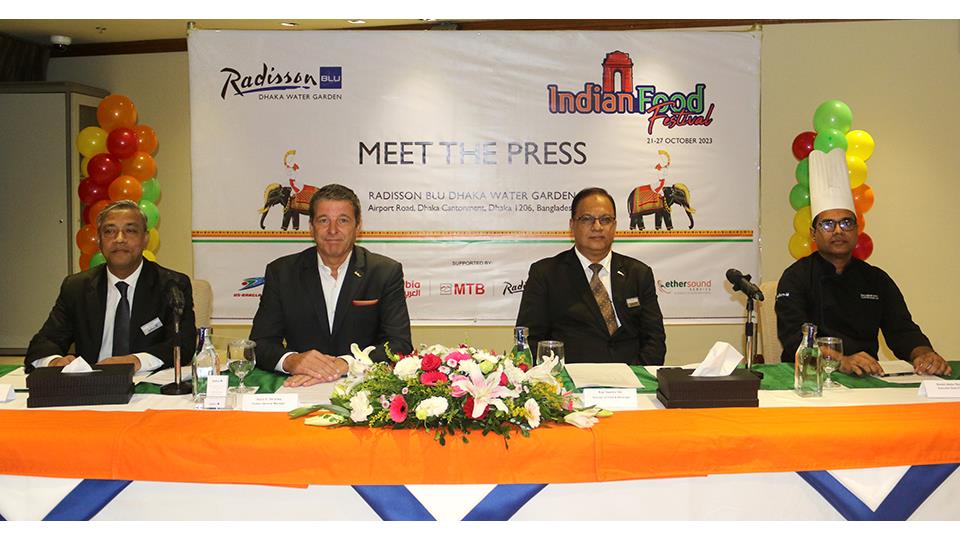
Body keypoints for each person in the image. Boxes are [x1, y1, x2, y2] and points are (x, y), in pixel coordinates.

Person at [776, 149, 950, 376]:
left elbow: (902, 331)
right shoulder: (795, 277)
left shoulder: (876, 279)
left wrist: (924, 354)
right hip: (809, 378)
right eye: (828, 224)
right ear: (813, 233)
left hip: (865, 378)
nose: (838, 231)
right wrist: (841, 361)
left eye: (846, 223)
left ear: (857, 230)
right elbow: (794, 339)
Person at [250, 183, 413, 387]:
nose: (333, 230)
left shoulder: (384, 272)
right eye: (323, 220)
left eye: (343, 220)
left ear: (358, 227)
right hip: (298, 387)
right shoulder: (282, 272)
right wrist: (292, 361)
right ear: (311, 227)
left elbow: (399, 344)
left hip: (363, 388)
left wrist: (347, 363)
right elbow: (260, 344)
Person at [25, 200, 196, 373]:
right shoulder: (77, 287)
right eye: (109, 231)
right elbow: (45, 342)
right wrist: (55, 362)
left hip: (144, 381)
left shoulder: (171, 285)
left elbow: (183, 344)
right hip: (91, 384)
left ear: (145, 239)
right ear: (99, 240)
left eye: (130, 230)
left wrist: (135, 361)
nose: (119, 239)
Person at [516, 187, 666, 365]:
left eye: (605, 219)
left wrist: (638, 375)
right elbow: (529, 340)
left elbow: (654, 339)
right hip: (570, 378)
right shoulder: (545, 274)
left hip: (632, 376)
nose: (597, 227)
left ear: (614, 226)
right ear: (572, 225)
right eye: (587, 219)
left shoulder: (638, 273)